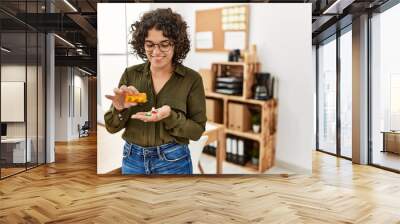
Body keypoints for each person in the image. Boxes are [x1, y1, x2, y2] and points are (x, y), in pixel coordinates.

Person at [104, 8, 207, 175]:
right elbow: (111, 127)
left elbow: (196, 131)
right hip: (132, 159)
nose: (156, 52)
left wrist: (170, 116)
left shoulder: (191, 79)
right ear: (142, 44)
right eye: (149, 44)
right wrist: (120, 109)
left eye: (164, 44)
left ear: (176, 43)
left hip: (174, 161)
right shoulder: (130, 74)